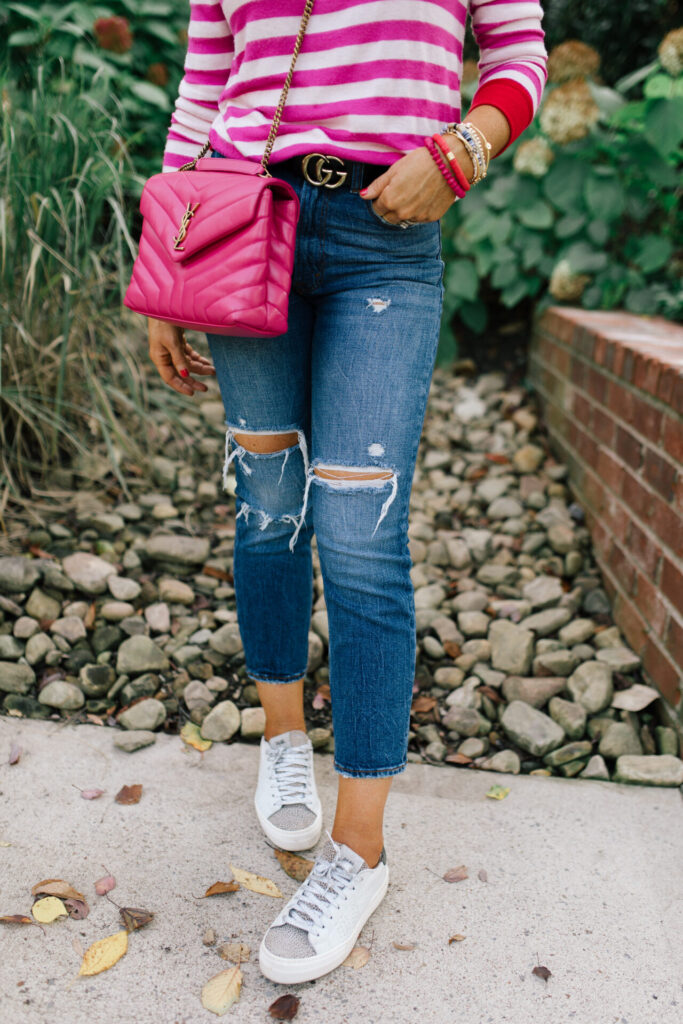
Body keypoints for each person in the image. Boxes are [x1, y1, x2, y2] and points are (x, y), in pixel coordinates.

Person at [147, 0, 548, 986]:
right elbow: (202, 89)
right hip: (242, 223)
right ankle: (284, 740)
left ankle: (357, 851)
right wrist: (169, 261)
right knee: (267, 508)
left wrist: (459, 149)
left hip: (385, 231)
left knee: (359, 535)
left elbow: (518, 55)